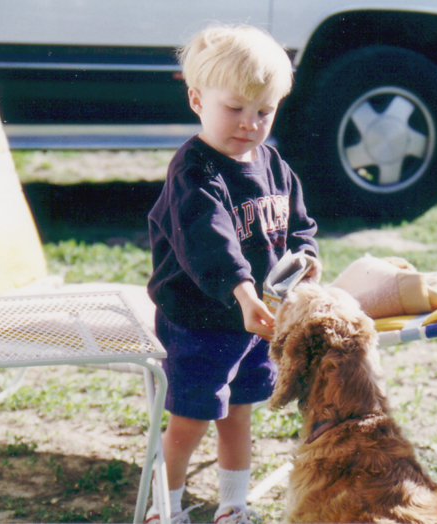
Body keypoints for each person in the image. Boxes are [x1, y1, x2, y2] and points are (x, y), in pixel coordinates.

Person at [145, 23, 320, 524]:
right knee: (190, 421)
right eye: (235, 108)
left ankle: (232, 505)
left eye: (263, 111)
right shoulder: (194, 172)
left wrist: (306, 256)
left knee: (239, 414)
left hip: (254, 321)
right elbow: (212, 247)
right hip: (200, 321)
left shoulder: (273, 165)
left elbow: (300, 226)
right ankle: (165, 508)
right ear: (197, 100)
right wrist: (244, 295)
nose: (249, 123)